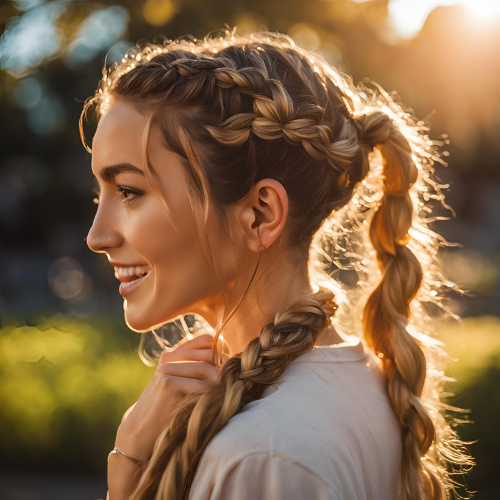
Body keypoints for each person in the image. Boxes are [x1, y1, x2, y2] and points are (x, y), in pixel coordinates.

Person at [80, 28, 472, 500]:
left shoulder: (259, 458)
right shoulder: (367, 378)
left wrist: (127, 477)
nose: (97, 236)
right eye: (100, 194)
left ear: (260, 214)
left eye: (129, 191)